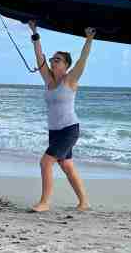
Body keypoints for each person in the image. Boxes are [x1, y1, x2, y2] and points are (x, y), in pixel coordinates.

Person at [28, 20, 96, 212]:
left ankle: (44, 203)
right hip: (55, 132)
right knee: (66, 166)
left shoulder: (70, 79)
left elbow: (83, 59)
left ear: (66, 65)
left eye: (57, 59)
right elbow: (39, 57)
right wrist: (35, 33)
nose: (52, 61)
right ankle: (84, 202)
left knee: (45, 162)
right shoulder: (49, 80)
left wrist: (89, 39)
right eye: (52, 59)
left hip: (69, 130)